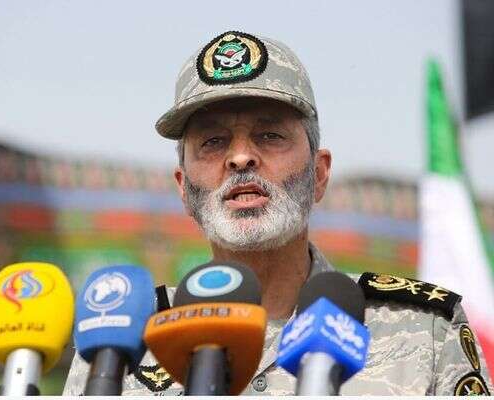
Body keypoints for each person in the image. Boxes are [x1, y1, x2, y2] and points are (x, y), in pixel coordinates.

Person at [63, 30, 493, 396]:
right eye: (213, 142)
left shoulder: (424, 330)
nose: (241, 157)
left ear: (319, 174)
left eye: (269, 135)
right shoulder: (119, 342)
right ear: (183, 189)